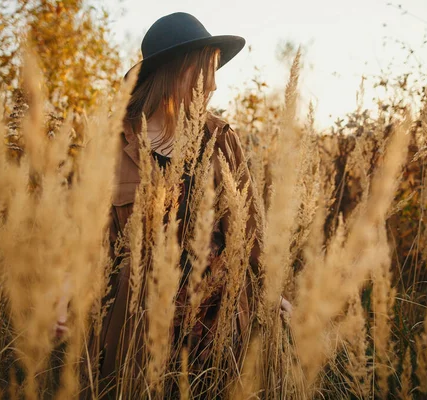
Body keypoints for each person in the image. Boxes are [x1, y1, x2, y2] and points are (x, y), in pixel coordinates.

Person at [54, 11, 292, 397]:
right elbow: (84, 237)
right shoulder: (111, 148)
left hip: (217, 328)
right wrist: (64, 293)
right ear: (174, 71)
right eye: (205, 71)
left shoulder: (221, 139)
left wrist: (274, 294)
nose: (214, 83)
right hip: (137, 331)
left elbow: (249, 232)